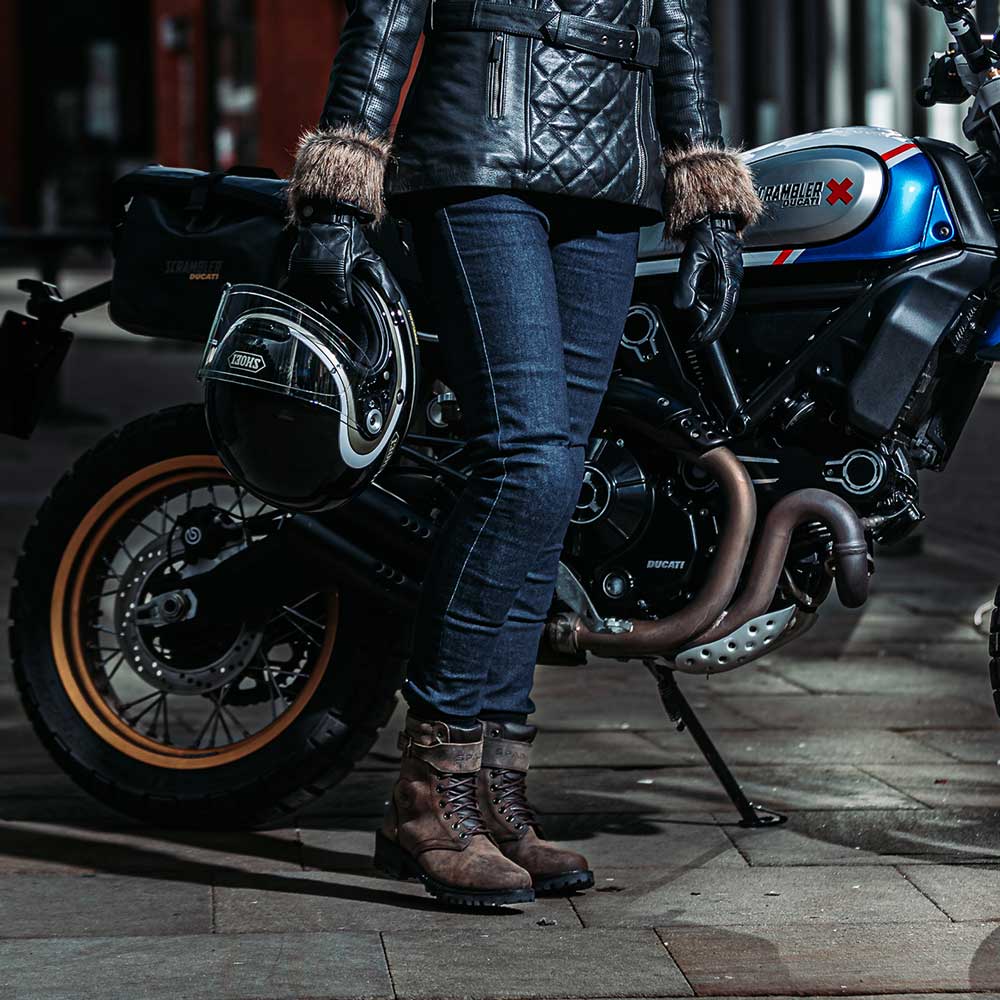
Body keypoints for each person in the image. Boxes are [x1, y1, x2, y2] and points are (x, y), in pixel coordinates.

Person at [286, 0, 761, 907]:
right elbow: (386, 14)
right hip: (479, 147)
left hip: (612, 174)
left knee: (557, 477)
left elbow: (680, 26)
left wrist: (710, 205)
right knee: (527, 459)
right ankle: (430, 788)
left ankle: (496, 790)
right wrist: (343, 186)